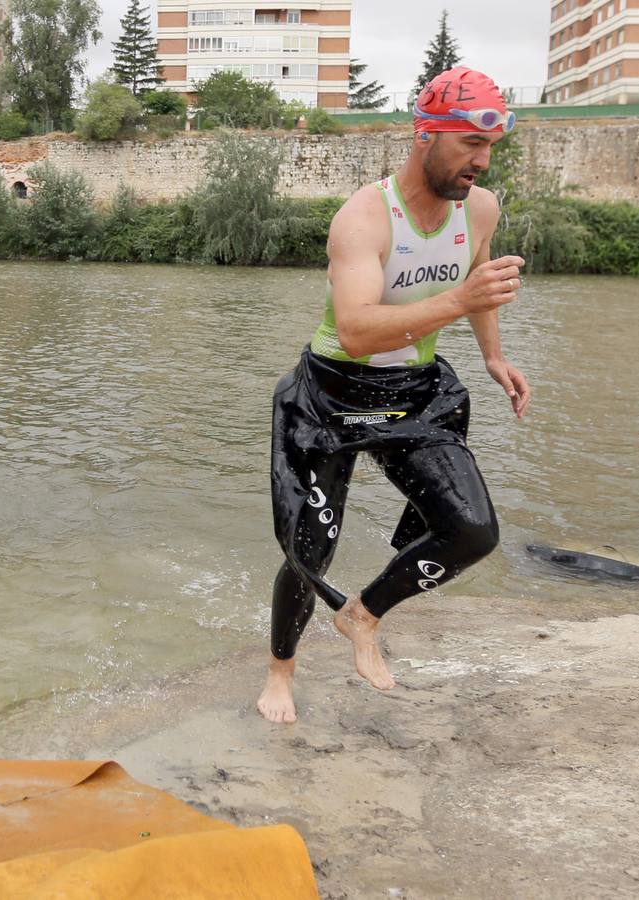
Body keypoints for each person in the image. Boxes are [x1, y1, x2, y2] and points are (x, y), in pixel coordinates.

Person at [257, 67, 532, 722]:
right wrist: (458, 300)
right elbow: (354, 330)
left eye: (489, 147)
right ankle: (279, 674)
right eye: (468, 143)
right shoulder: (364, 218)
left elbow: (478, 282)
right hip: (328, 396)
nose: (481, 160)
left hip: (412, 393)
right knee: (308, 550)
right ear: (424, 135)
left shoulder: (481, 208)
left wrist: (492, 353)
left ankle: (363, 614)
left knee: (471, 530)